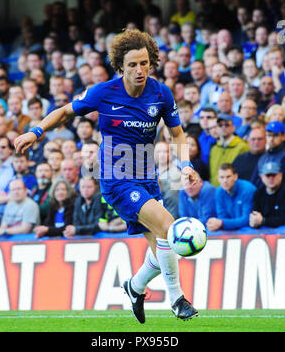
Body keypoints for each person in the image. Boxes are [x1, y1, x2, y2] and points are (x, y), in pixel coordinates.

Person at [14, 28, 199, 323]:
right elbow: (64, 112)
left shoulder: (161, 93)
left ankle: (134, 287)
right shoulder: (104, 92)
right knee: (168, 226)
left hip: (146, 176)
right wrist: (36, 131)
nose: (140, 70)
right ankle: (177, 300)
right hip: (115, 178)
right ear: (120, 67)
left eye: (144, 63)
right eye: (132, 65)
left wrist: (185, 163)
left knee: (160, 245)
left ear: (151, 62)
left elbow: (176, 133)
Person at [206, 163, 256, 231]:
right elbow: (222, 217)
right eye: (222, 177)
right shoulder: (219, 192)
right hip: (231, 230)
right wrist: (218, 223)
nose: (225, 181)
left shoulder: (247, 189)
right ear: (218, 178)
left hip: (249, 229)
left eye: (228, 176)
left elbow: (247, 219)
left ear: (235, 176)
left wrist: (221, 223)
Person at [209, 114, 249, 187]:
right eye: (220, 125)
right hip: (215, 191)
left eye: (227, 125)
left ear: (233, 128)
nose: (223, 127)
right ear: (216, 128)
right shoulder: (214, 148)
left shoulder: (242, 146)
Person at [249, 162, 285, 228]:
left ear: (280, 175)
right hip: (264, 232)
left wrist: (264, 221)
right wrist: (254, 221)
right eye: (268, 175)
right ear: (262, 177)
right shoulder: (258, 193)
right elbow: (255, 215)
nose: (271, 178)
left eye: (274, 175)